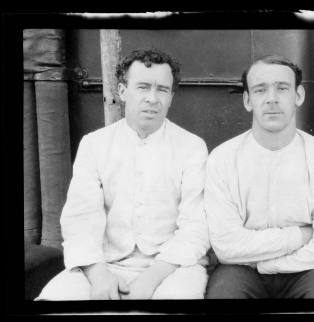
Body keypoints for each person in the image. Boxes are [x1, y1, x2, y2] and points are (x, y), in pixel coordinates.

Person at [37, 48, 210, 300]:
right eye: (142, 87)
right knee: (54, 299)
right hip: (103, 263)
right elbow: (80, 219)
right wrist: (98, 274)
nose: (152, 98)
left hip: (173, 267)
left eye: (162, 89)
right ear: (122, 91)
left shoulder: (192, 147)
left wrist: (150, 280)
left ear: (171, 97)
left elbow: (196, 227)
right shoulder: (94, 144)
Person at [204, 55, 314, 298]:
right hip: (240, 270)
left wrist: (267, 265)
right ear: (248, 100)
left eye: (282, 88)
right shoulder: (223, 158)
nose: (272, 98)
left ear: (298, 95)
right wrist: (302, 235)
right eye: (260, 90)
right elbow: (227, 248)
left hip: (309, 269)